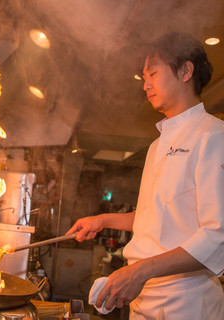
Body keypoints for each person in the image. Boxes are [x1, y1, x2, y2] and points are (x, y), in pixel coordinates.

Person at [66, 32, 224, 319]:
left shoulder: (213, 136)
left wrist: (141, 270)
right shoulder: (156, 146)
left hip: (186, 301)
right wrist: (102, 220)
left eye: (153, 73)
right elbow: (155, 216)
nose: (146, 84)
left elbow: (218, 235)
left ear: (186, 71)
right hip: (143, 298)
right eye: (144, 76)